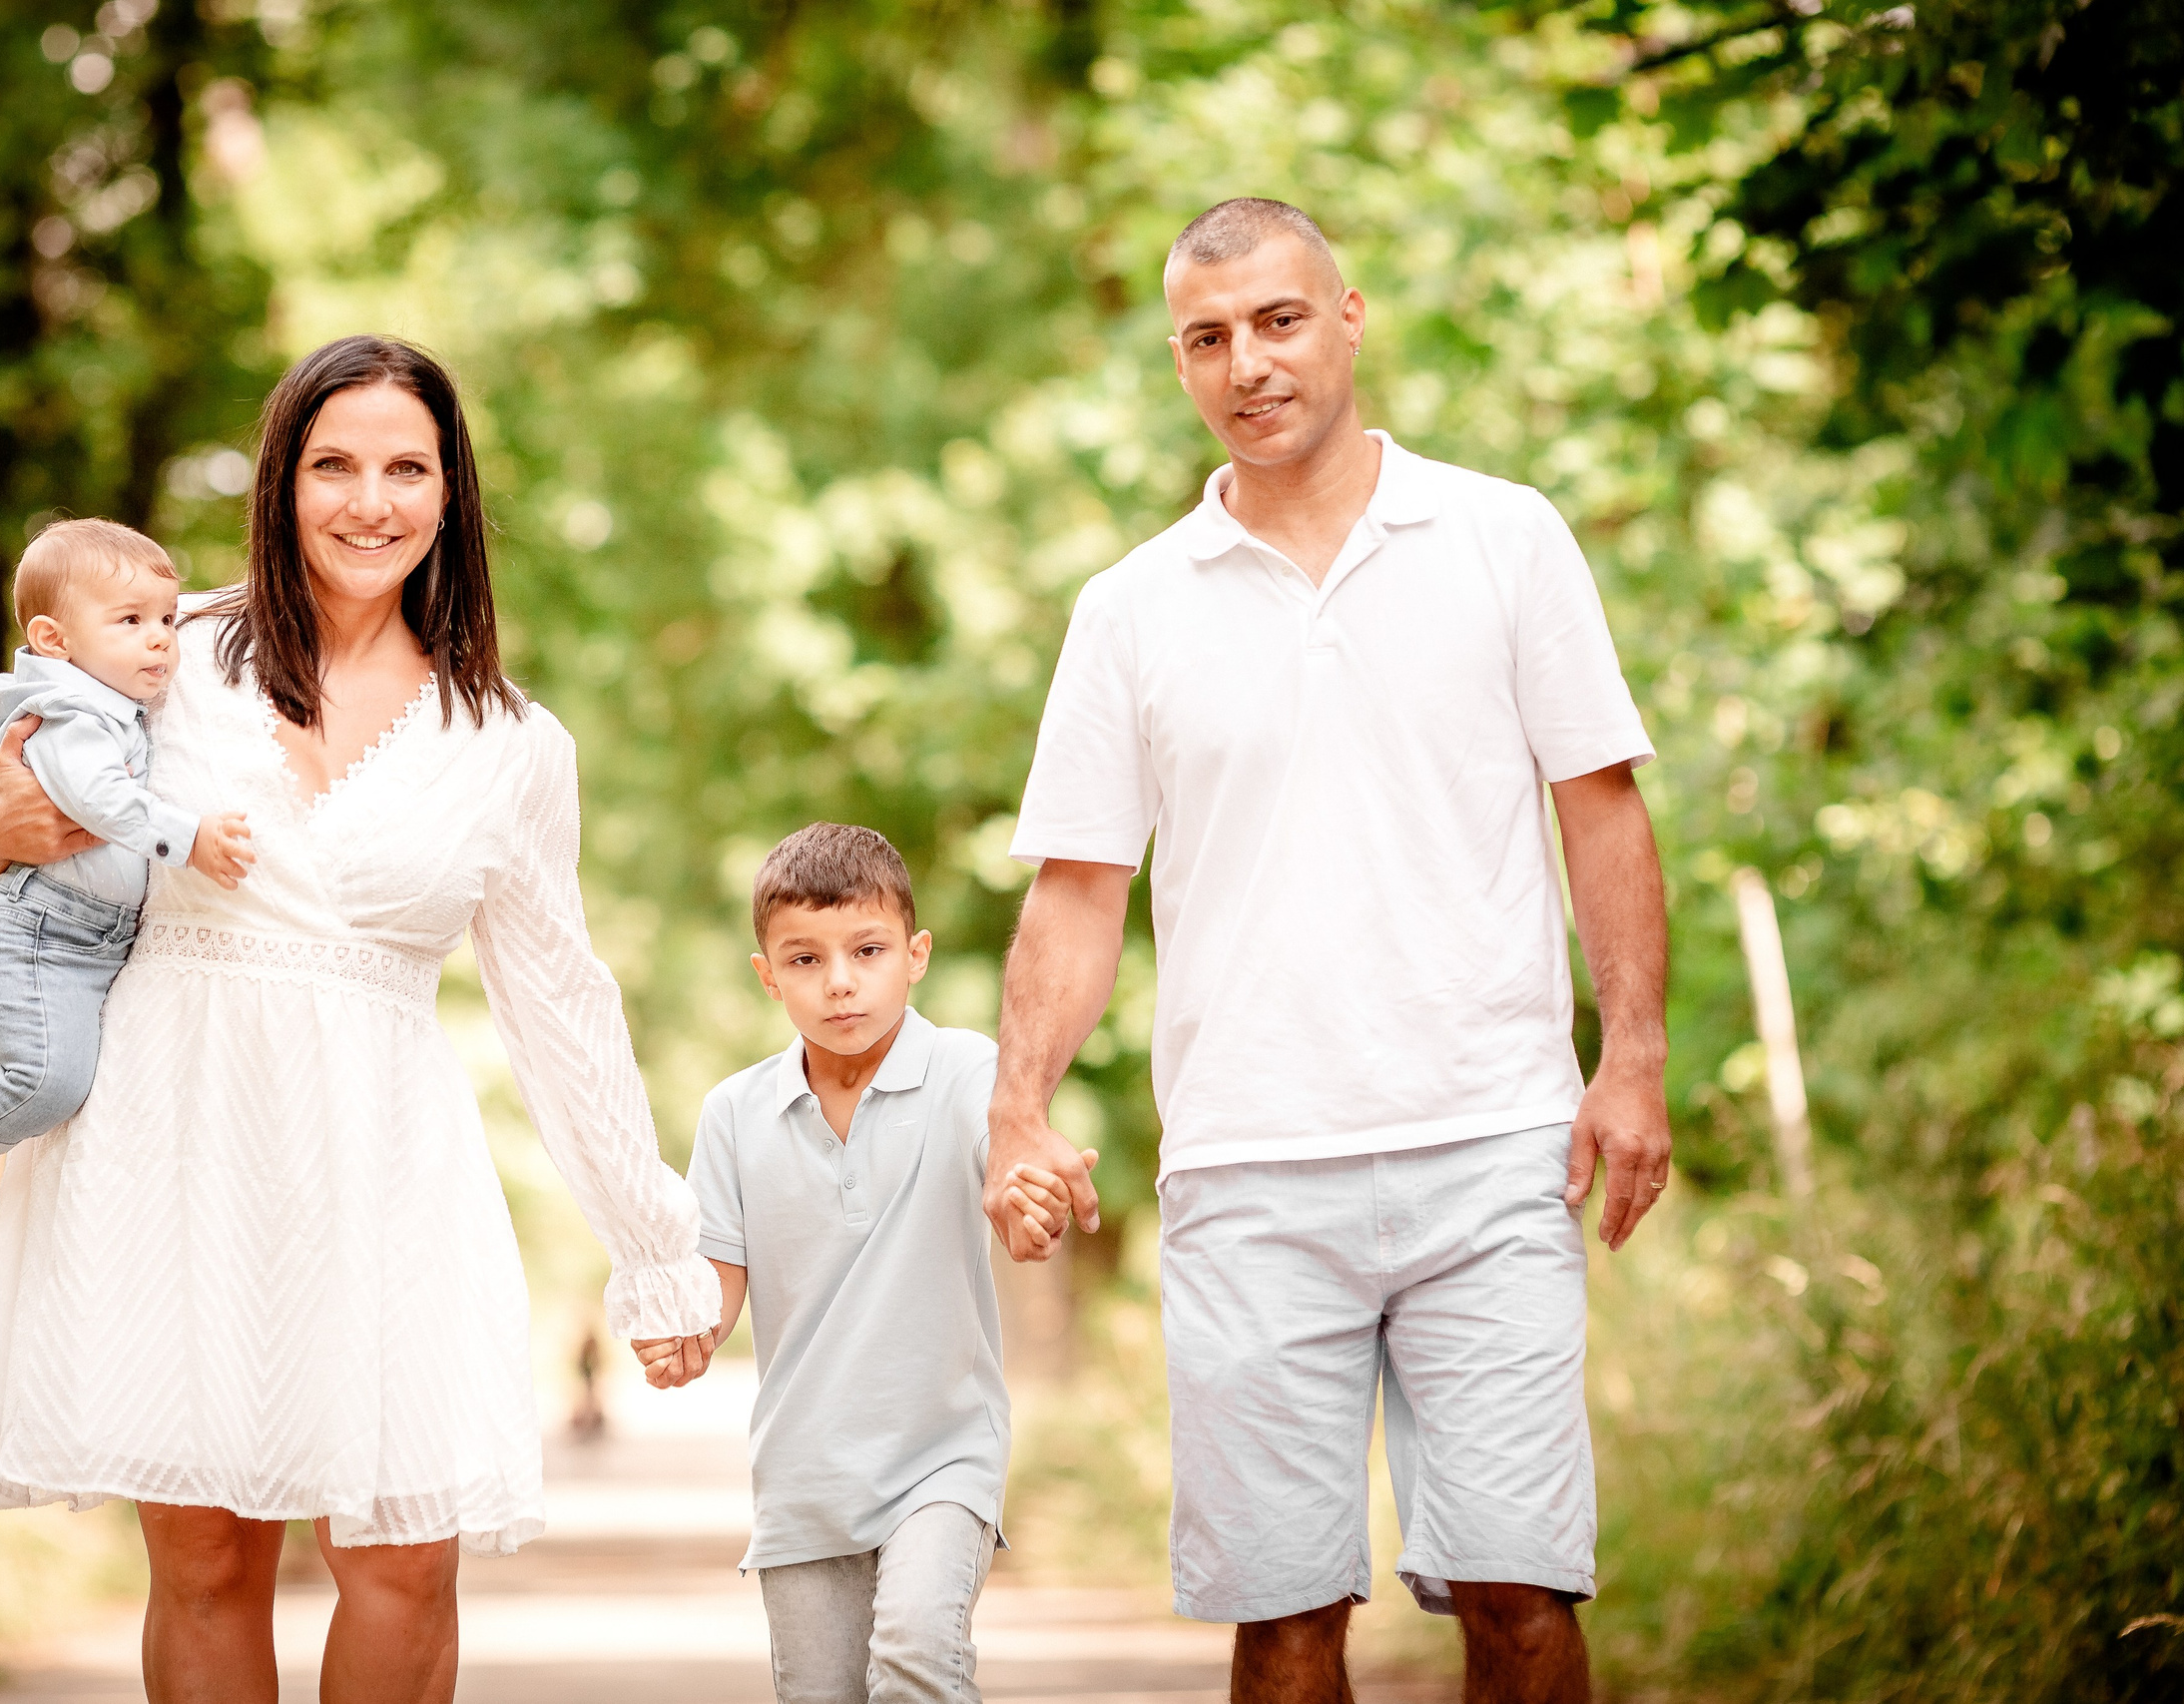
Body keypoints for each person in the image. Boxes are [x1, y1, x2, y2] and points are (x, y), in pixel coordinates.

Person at [0, 335, 719, 1704]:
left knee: (405, 1562)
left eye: (407, 468)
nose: (369, 501)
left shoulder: (512, 743)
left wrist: (653, 1248)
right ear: (281, 482)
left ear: (451, 492)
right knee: (207, 1562)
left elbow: (560, 1006)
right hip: (170, 1140)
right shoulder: (163, 654)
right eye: (333, 465)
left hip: (385, 1163)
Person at [986, 199, 1672, 1704]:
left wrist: (1632, 1058)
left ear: (1348, 319)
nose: (1248, 364)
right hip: (1246, 1169)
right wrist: (1017, 1105)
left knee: (1521, 1593)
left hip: (1491, 1147)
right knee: (1284, 1622)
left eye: (1279, 320)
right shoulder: (1129, 609)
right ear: (1181, 361)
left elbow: (1601, 808)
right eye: (1207, 338)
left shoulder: (1504, 537)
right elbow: (1079, 890)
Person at [632, 823, 1073, 1704]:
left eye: (867, 950)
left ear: (915, 955)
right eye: (805, 959)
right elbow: (719, 1277)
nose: (839, 980)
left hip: (942, 1457)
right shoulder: (733, 1112)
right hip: (804, 1473)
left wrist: (1030, 1207)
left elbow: (1008, 1171)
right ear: (767, 975)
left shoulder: (965, 1070)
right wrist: (687, 1333)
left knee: (916, 1656)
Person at [0, 518, 257, 1223]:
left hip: (85, 939)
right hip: (39, 933)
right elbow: (97, 798)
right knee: (52, 1079)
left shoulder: (108, 701)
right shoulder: (70, 713)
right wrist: (190, 838)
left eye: (166, 619)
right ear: (53, 639)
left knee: (61, 1066)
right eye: (131, 620)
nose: (161, 637)